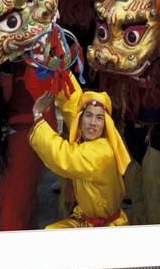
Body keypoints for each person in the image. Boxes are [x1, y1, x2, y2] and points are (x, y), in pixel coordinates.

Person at [29, 83, 131, 229]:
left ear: (105, 124)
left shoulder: (101, 152)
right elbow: (73, 106)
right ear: (80, 120)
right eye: (88, 115)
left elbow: (63, 155)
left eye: (99, 118)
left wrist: (38, 116)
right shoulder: (91, 140)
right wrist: (63, 73)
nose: (93, 123)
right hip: (84, 219)